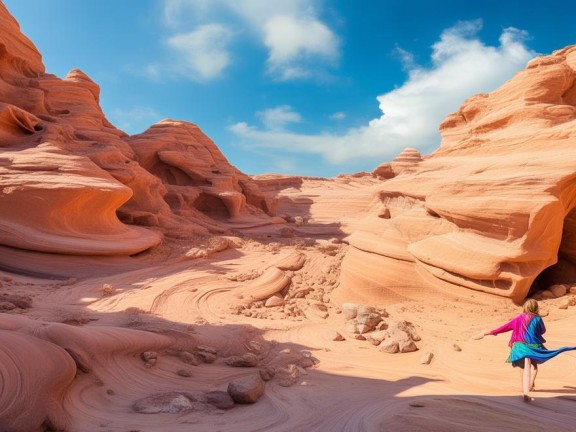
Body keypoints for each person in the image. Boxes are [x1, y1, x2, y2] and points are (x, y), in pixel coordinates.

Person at [484, 298, 576, 402]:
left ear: (525, 307)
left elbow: (505, 327)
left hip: (519, 346)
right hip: (533, 346)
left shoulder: (519, 318)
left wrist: (492, 332)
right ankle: (531, 384)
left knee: (522, 367)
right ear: (535, 307)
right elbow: (543, 331)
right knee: (534, 366)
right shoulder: (537, 319)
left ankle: (524, 388)